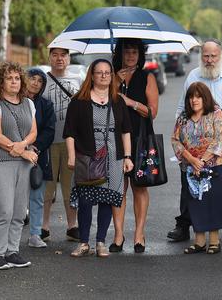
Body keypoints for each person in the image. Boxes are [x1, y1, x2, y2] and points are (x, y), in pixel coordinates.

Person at [168, 39, 222, 242]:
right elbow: (182, 108)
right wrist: (180, 141)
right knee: (189, 183)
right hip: (193, 144)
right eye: (205, 56)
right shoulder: (193, 76)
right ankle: (184, 225)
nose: (209, 60)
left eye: (213, 56)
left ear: (220, 55)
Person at [63, 59, 133, 258]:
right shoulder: (79, 101)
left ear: (112, 76)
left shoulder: (118, 101)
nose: (103, 75)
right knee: (86, 200)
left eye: (107, 72)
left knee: (107, 199)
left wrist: (127, 157)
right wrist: (71, 156)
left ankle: (101, 242)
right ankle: (84, 243)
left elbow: (126, 131)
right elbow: (69, 132)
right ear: (91, 75)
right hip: (87, 156)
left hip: (114, 157)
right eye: (99, 72)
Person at [0, 61, 38, 270]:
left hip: (23, 164)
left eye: (17, 78)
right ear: (0, 81)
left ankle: (12, 252)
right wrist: (20, 150)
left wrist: (23, 146)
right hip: (0, 163)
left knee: (18, 212)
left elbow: (33, 132)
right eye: (9, 78)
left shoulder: (28, 103)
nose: (14, 82)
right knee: (3, 210)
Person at [110, 39, 159, 253]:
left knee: (140, 186)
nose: (130, 56)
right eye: (126, 52)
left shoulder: (147, 77)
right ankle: (118, 234)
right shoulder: (110, 75)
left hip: (140, 136)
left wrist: (130, 102)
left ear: (140, 55)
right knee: (118, 188)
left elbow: (152, 112)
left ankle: (139, 234)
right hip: (115, 137)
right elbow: (100, 102)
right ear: (119, 54)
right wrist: (113, 82)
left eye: (134, 52)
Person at [172, 82, 222, 255]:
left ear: (205, 98)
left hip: (215, 166)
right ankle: (199, 242)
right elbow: (175, 140)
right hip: (191, 168)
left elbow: (219, 140)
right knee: (196, 202)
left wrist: (202, 162)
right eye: (191, 97)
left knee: (212, 202)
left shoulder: (216, 113)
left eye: (198, 96)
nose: (194, 100)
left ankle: (214, 241)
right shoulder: (183, 117)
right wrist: (191, 160)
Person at [42, 47, 81, 242]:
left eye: (63, 55)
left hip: (71, 143)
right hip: (48, 142)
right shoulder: (42, 81)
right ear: (49, 57)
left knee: (70, 186)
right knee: (47, 187)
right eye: (55, 54)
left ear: (69, 57)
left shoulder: (78, 80)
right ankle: (44, 226)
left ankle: (72, 226)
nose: (59, 59)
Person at [26, 68, 56, 249]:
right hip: (14, 154)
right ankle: (6, 237)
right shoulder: (13, 100)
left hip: (38, 156)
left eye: (40, 81)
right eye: (32, 78)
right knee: (13, 200)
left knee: (37, 197)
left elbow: (49, 130)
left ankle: (35, 234)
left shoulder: (45, 105)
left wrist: (35, 147)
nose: (36, 83)